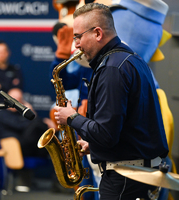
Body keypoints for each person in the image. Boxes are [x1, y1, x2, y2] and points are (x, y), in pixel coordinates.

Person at [53, 3, 169, 200]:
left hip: (125, 179)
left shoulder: (111, 69)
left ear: (98, 33)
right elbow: (129, 127)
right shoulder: (132, 59)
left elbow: (107, 134)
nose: (76, 45)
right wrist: (96, 147)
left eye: (78, 37)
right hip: (139, 174)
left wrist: (71, 117)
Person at [0, 88, 57, 192]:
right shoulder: (2, 113)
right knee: (37, 124)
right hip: (14, 145)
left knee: (46, 137)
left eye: (19, 99)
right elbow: (19, 126)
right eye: (14, 99)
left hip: (28, 144)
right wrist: (34, 116)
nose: (17, 102)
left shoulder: (19, 113)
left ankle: (58, 182)